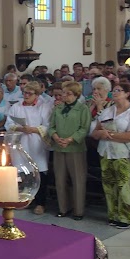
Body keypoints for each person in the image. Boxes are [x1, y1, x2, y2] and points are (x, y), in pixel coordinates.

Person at [91, 83, 130, 228]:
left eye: (118, 90)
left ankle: (126, 218)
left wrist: (109, 135)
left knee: (123, 185)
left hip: (124, 154)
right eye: (113, 90)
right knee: (109, 185)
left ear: (127, 93)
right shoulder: (108, 111)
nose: (114, 93)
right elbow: (95, 133)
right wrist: (101, 134)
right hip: (106, 152)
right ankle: (113, 215)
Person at [5, 81, 52, 215]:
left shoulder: (44, 107)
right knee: (23, 173)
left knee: (39, 172)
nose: (26, 95)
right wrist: (20, 128)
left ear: (37, 95)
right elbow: (9, 123)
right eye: (24, 92)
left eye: (29, 93)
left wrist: (34, 129)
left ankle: (40, 203)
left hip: (37, 143)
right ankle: (26, 200)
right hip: (21, 142)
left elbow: (48, 126)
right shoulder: (17, 107)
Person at [48, 81, 91, 220]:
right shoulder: (58, 108)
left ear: (76, 94)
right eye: (63, 93)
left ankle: (78, 210)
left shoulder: (83, 109)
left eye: (68, 93)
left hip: (75, 148)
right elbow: (51, 126)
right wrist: (55, 136)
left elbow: (84, 128)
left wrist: (70, 139)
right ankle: (63, 208)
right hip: (59, 147)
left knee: (78, 180)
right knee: (60, 179)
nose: (64, 96)